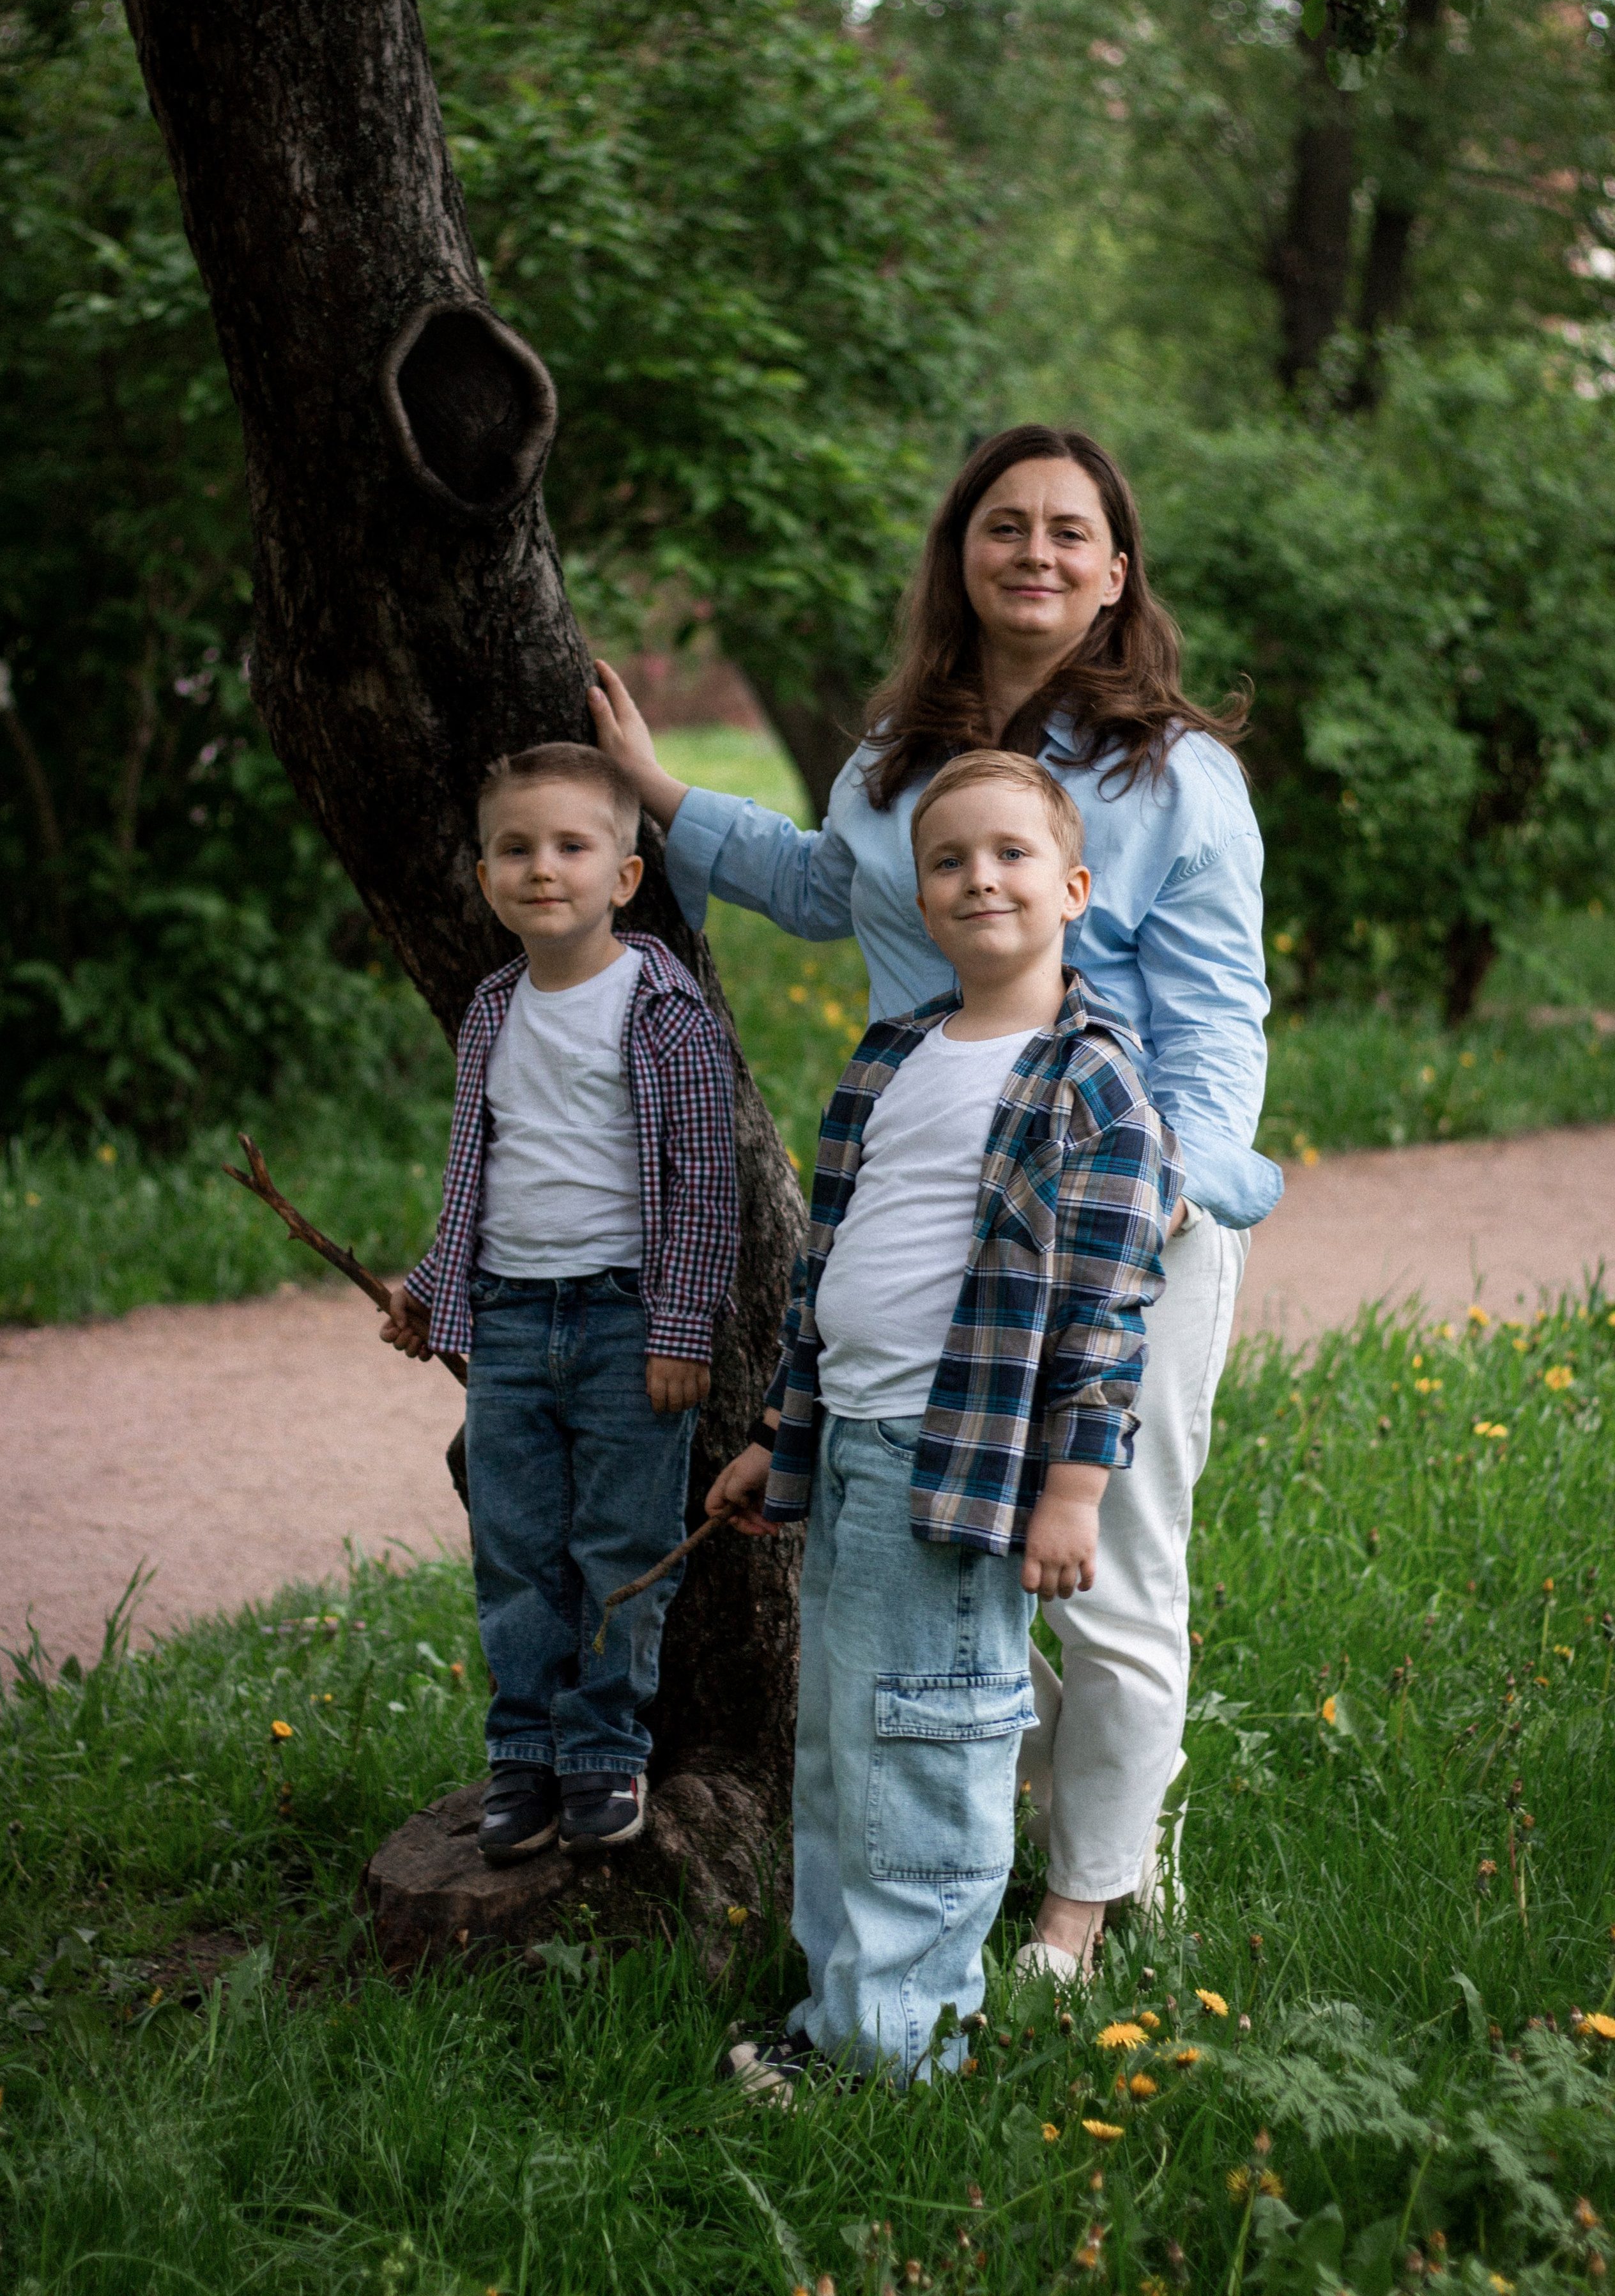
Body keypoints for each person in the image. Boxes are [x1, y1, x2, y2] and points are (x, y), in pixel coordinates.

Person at [590, 424, 1281, 1973]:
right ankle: (978, 1844)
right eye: (1000, 527)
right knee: (953, 1550)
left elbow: (1215, 1015)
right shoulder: (890, 761)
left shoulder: (1180, 776)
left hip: (1114, 1217)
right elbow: (824, 891)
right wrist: (653, 790)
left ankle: (1088, 1904)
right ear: (958, 558)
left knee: (1098, 1561)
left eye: (1065, 533)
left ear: (1113, 578)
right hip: (918, 1220)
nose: (1031, 552)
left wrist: (1168, 1185)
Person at [704, 750, 1179, 2088]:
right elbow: (830, 1273)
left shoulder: (1091, 1085)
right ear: (914, 896)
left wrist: (1074, 1491)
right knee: (842, 1748)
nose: (979, 878)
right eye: (948, 860)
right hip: (850, 1449)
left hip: (958, 1470)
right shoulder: (894, 1057)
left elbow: (1103, 1314)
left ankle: (903, 2051)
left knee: (925, 1744)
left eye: (1010, 856)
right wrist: (775, 1434)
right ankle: (837, 2014)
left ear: (1074, 888)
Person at [378, 743, 739, 1863]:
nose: (544, 869)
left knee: (619, 1539)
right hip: (512, 1320)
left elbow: (705, 1182)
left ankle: (601, 1750)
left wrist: (681, 1329)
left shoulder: (661, 1006)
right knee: (518, 1543)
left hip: (630, 1320)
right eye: (516, 849)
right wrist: (434, 1289)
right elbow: (477, 1166)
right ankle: (522, 1752)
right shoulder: (494, 1009)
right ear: (486, 877)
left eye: (573, 846)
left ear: (624, 877)